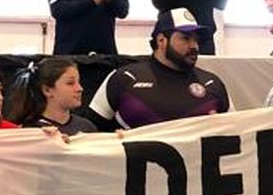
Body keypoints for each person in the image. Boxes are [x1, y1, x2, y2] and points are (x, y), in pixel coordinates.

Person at [90, 8, 230, 128]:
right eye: (186, 38)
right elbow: (86, 132)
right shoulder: (124, 79)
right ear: (161, 41)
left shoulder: (212, 84)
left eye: (196, 40)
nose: (194, 46)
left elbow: (238, 131)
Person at [5, 56, 97, 136]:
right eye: (70, 83)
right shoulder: (30, 131)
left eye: (78, 82)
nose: (80, 88)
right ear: (47, 90)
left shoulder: (87, 127)